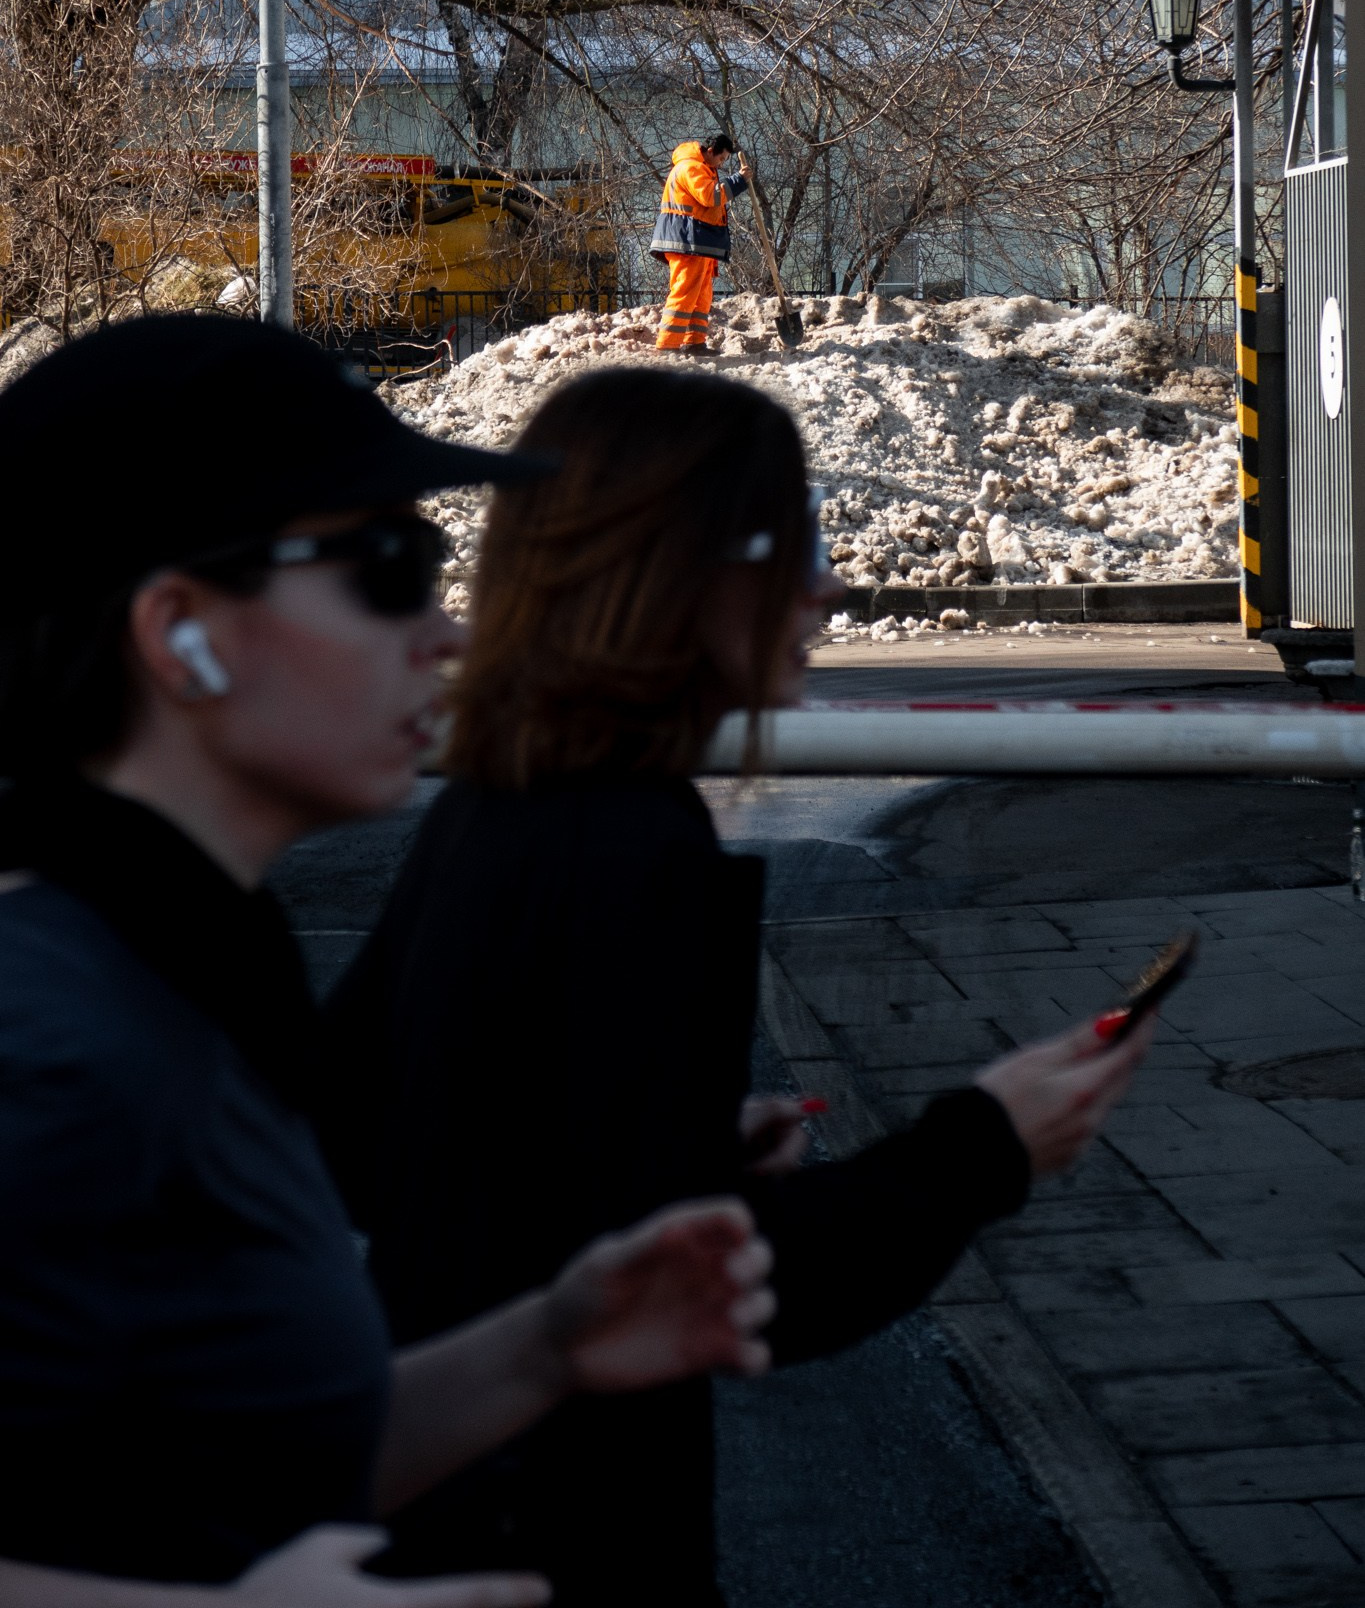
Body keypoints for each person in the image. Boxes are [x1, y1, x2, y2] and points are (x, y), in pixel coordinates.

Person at [319, 365, 1153, 1608]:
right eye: (792, 539)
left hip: (455, 1492)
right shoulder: (631, 845)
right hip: (566, 1521)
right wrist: (989, 1143)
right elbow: (699, 1285)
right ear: (678, 570)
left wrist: (671, 1134)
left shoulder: (504, 803)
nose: (824, 583)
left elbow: (397, 1134)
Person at [0, 318, 777, 1608]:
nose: (448, 631)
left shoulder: (182, 966)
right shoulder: (46, 1033)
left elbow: (224, 1471)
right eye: (389, 564)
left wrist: (545, 1345)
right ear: (181, 630)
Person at [651, 134, 751, 353]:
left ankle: (695, 342)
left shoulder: (703, 168)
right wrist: (738, 181)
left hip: (697, 241)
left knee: (701, 294)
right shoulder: (691, 168)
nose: (722, 163)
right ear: (711, 150)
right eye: (722, 158)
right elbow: (709, 196)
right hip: (686, 241)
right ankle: (667, 345)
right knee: (685, 291)